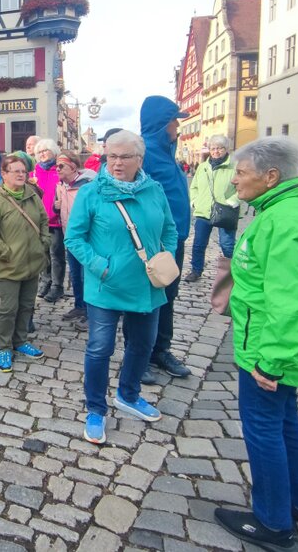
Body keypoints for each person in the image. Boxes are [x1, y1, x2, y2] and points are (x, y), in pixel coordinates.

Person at [214, 137, 298, 549]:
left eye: (241, 172)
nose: (235, 181)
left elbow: (291, 301)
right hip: (274, 340)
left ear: (271, 177)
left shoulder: (285, 222)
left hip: (269, 347)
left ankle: (273, 522)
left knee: (264, 428)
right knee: (287, 423)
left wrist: (271, 361)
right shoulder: (290, 210)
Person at [64, 130, 178, 445]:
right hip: (106, 286)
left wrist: (163, 256)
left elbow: (170, 228)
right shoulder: (92, 193)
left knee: (142, 344)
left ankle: (128, 395)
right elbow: (74, 238)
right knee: (100, 348)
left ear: (139, 160)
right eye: (111, 156)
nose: (116, 163)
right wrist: (101, 266)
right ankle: (96, 409)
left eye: (124, 156)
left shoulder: (154, 190)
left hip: (147, 285)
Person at [136, 96, 192, 382]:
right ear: (161, 124)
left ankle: (161, 350)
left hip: (174, 240)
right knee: (148, 299)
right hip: (154, 243)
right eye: (174, 120)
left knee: (168, 296)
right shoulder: (144, 154)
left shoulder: (166, 150)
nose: (177, 126)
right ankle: (139, 356)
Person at [0, 155, 49, 372]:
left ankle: (20, 341)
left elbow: (44, 220)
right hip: (9, 265)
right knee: (9, 308)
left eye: (23, 171)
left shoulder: (31, 195)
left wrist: (43, 243)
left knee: (27, 305)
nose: (21, 174)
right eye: (15, 171)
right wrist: (7, 253)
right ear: (4, 174)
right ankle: (4, 347)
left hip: (33, 262)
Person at [183, 135, 239, 283]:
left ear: (226, 149)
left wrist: (233, 200)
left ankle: (234, 273)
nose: (216, 151)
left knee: (227, 244)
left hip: (226, 211)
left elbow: (243, 186)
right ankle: (196, 270)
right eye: (213, 148)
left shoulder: (234, 166)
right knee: (199, 244)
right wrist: (194, 201)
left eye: (219, 148)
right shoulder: (203, 167)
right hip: (203, 211)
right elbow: (194, 186)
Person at [53, 151, 96, 323]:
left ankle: (90, 312)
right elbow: (63, 209)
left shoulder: (88, 185)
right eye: (56, 166)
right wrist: (56, 207)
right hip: (70, 237)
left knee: (87, 276)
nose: (57, 169)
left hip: (86, 238)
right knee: (76, 275)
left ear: (72, 166)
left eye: (61, 165)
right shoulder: (61, 185)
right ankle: (79, 306)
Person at [31, 139, 66, 303]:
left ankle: (57, 286)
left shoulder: (59, 170)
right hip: (39, 220)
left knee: (56, 254)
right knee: (43, 254)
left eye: (45, 150)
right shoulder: (34, 172)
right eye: (39, 152)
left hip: (55, 220)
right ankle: (46, 282)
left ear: (53, 151)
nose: (42, 154)